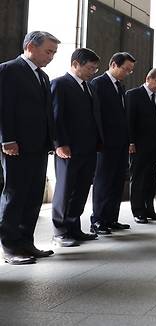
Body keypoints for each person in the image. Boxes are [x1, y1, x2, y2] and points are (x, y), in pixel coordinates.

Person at [0, 31, 59, 264]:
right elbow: (3, 108)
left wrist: (51, 140)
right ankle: (11, 247)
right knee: (15, 195)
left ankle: (26, 242)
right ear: (30, 47)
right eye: (48, 51)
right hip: (16, 145)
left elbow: (46, 113)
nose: (51, 57)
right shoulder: (8, 70)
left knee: (33, 196)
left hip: (38, 146)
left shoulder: (42, 77)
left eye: (53, 52)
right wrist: (7, 139)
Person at [51, 48, 103, 247]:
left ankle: (74, 227)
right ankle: (60, 232)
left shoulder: (89, 87)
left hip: (89, 148)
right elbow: (56, 117)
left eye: (95, 68)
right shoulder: (60, 84)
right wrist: (59, 144)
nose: (93, 72)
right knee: (65, 190)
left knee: (81, 189)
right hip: (68, 148)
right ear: (75, 64)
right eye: (90, 68)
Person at [89, 52, 135, 235]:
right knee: (103, 182)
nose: (128, 73)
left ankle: (111, 218)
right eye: (126, 69)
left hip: (121, 143)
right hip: (105, 144)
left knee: (117, 181)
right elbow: (96, 115)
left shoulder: (120, 87)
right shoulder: (98, 84)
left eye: (130, 70)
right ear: (113, 64)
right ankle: (98, 220)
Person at [125, 68, 156, 224]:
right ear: (148, 78)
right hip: (138, 145)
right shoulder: (133, 95)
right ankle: (138, 211)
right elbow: (129, 120)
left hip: (155, 146)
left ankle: (149, 209)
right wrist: (130, 142)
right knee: (138, 178)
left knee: (151, 179)